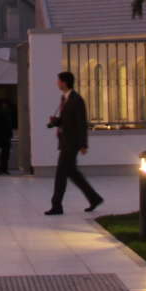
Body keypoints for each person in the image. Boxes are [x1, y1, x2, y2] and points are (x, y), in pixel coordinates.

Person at [44, 69, 101, 215]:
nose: (57, 83)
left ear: (64, 82)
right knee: (73, 173)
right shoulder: (65, 98)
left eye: (58, 81)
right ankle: (94, 198)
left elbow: (81, 123)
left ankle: (57, 205)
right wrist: (55, 123)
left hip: (72, 143)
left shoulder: (77, 100)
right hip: (65, 142)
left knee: (61, 174)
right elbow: (66, 120)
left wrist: (83, 144)